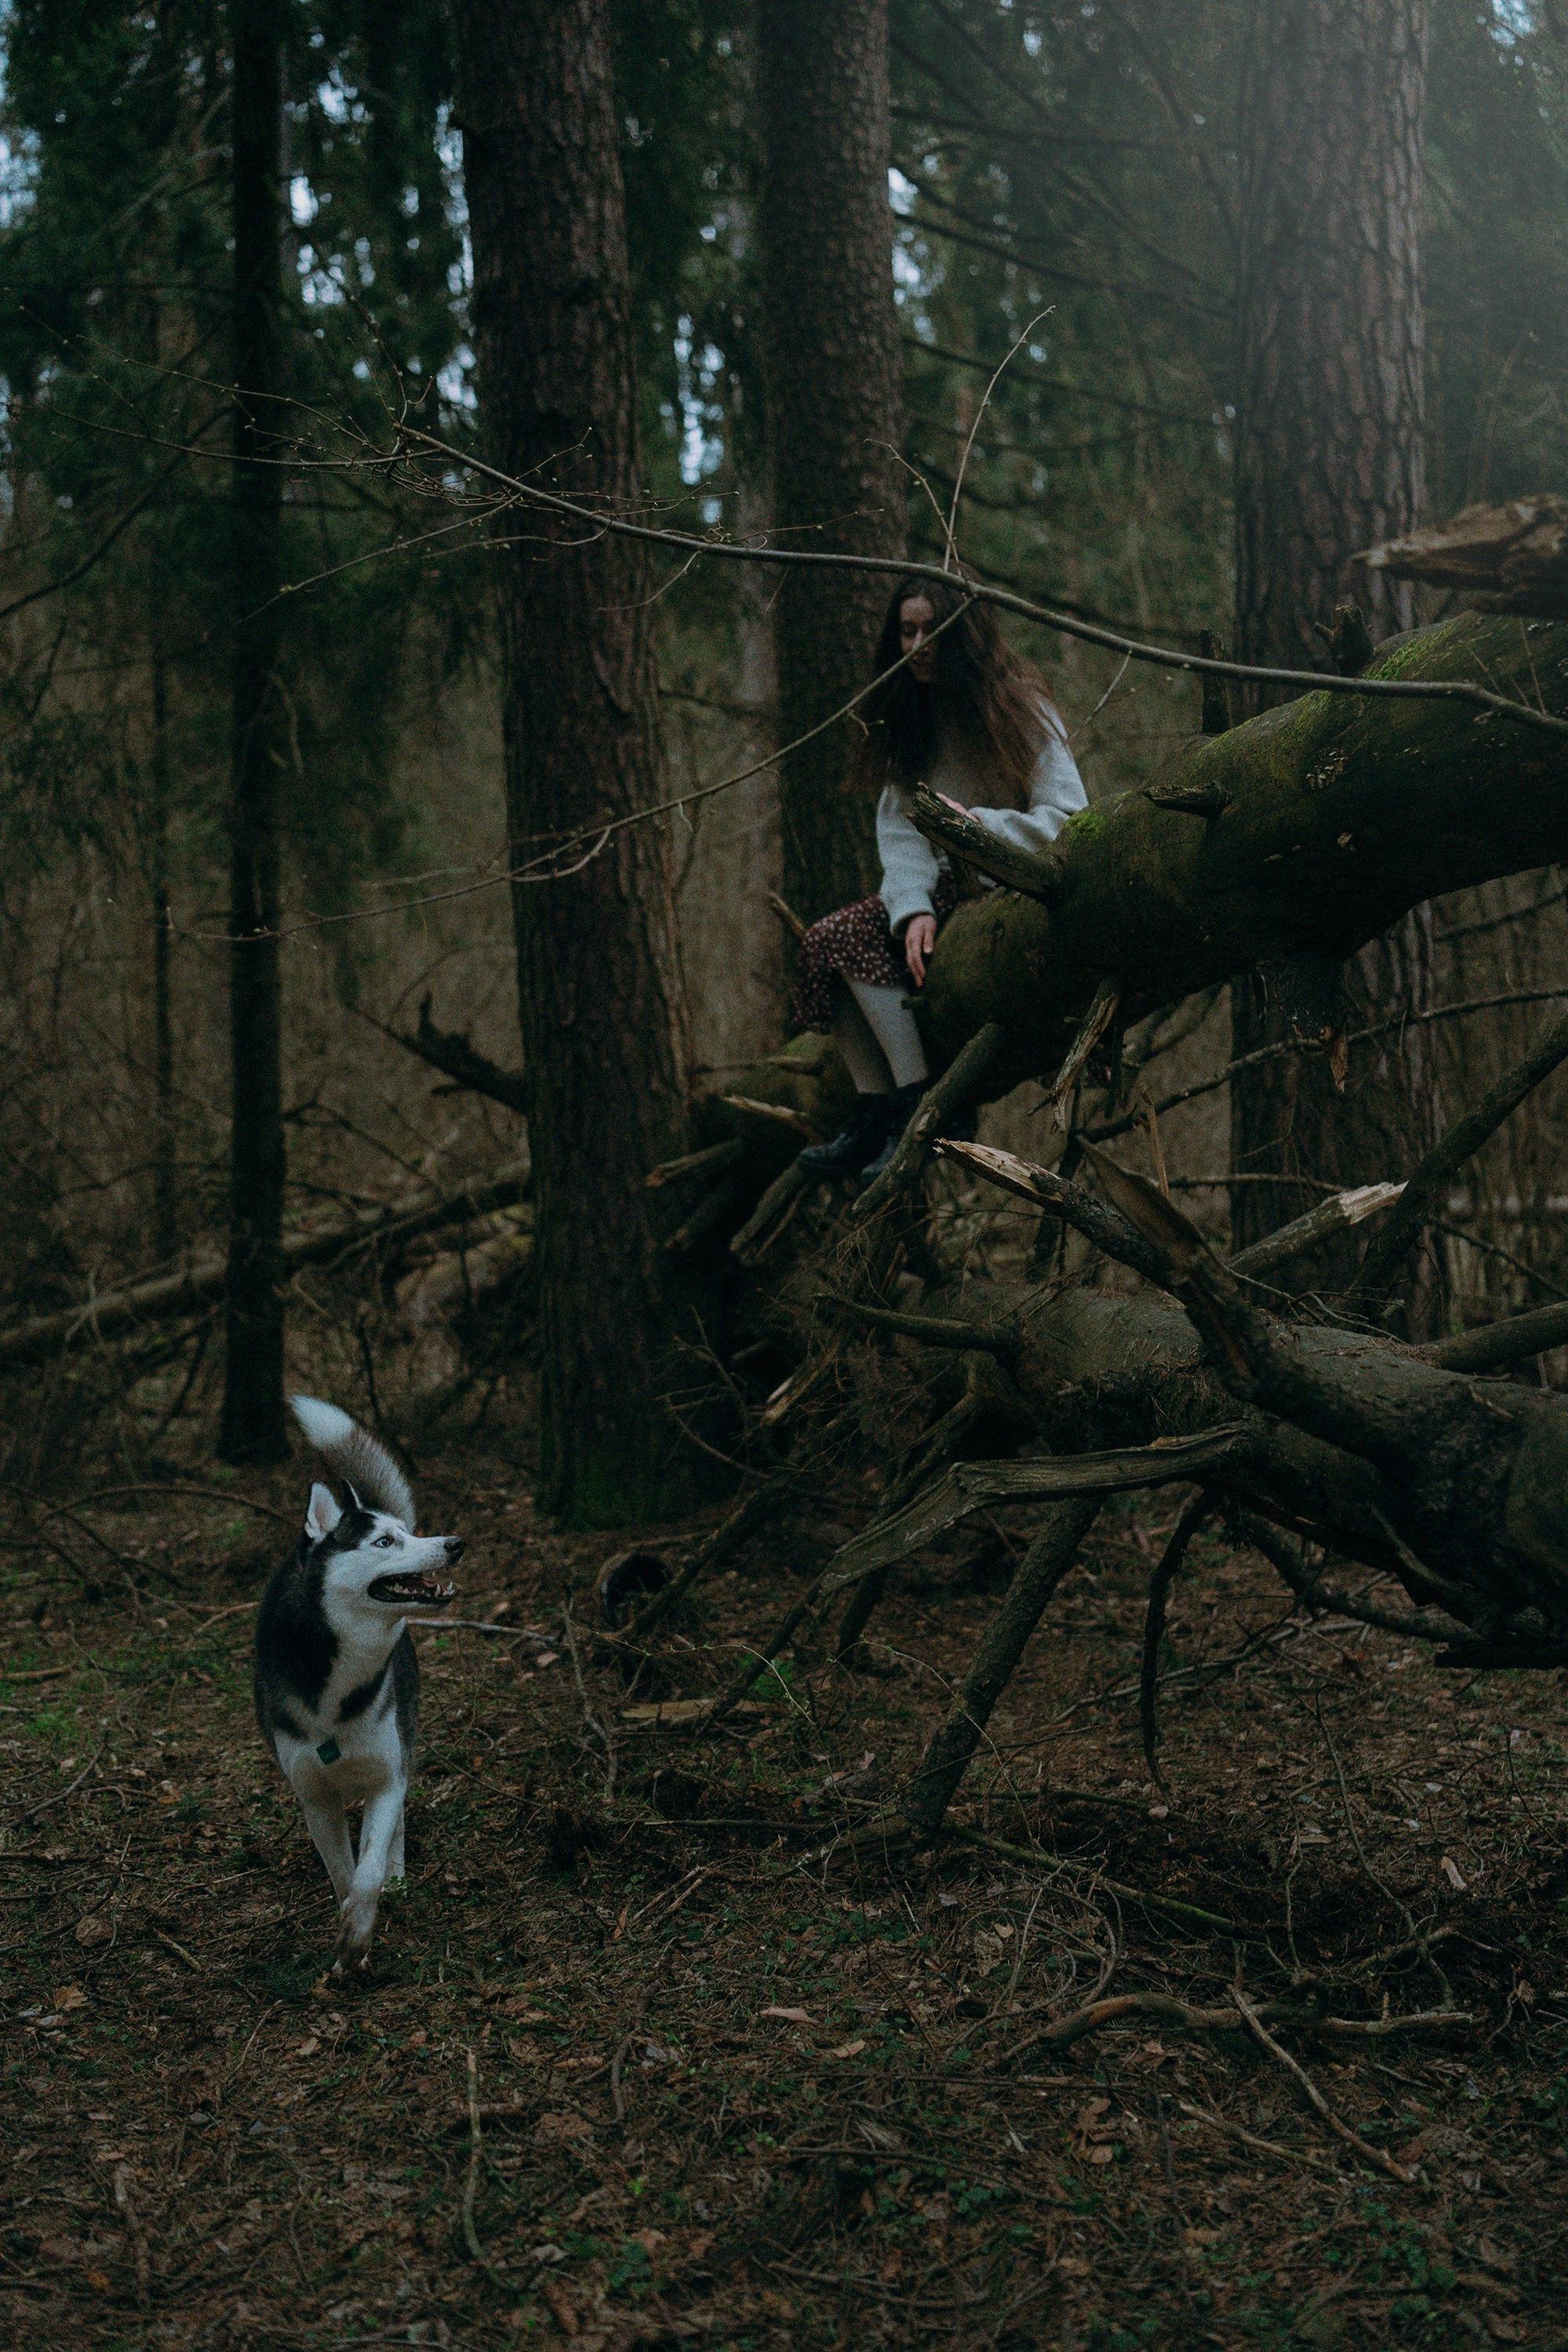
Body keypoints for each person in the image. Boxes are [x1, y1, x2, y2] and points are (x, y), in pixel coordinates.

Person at [793, 572, 1089, 1179]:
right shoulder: (910, 715)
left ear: (966, 632)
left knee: (848, 939)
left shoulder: (1019, 704)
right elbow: (901, 833)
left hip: (1012, 889)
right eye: (907, 632)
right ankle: (881, 1110)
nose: (918, 646)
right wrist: (912, 910)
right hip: (941, 893)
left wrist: (977, 826)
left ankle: (923, 1113)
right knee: (827, 941)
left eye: (933, 630)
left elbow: (1068, 818)